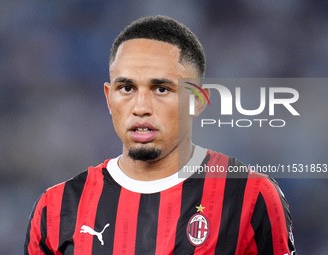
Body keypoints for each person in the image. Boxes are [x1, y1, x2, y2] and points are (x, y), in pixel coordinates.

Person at [25, 15, 296, 255]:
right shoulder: (56, 208)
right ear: (109, 98)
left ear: (197, 101)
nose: (141, 107)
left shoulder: (251, 195)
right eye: (127, 88)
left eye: (162, 89)